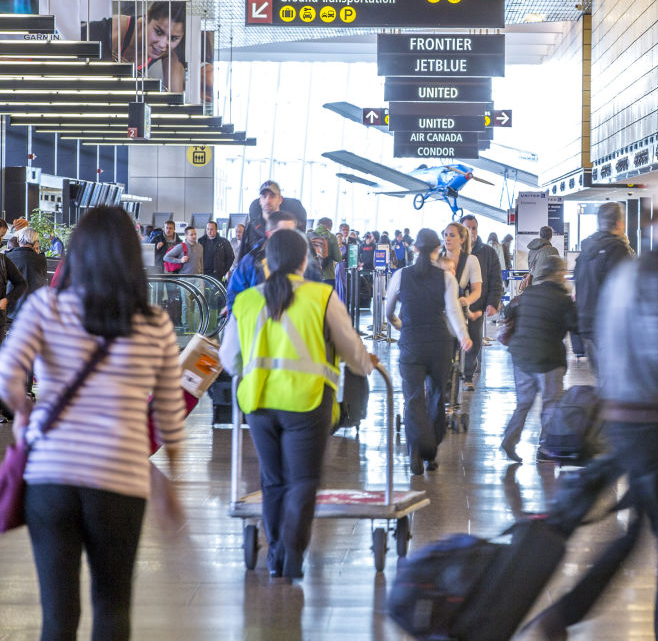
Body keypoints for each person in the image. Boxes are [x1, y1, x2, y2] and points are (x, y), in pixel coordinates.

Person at [529, 173, 658, 641]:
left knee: (639, 532)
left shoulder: (636, 272)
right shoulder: (654, 276)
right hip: (652, 424)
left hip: (629, 418)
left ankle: (562, 617)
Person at [0, 205, 186, 640]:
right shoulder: (154, 322)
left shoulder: (46, 307)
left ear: (78, 251)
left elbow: (7, 376)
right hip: (119, 479)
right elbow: (169, 413)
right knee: (113, 608)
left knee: (58, 616)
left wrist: (25, 414)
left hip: (51, 477)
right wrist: (170, 482)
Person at [221, 229, 376, 580]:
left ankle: (275, 554)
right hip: (307, 402)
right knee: (303, 480)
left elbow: (229, 358)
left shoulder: (246, 301)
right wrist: (368, 365)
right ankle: (292, 552)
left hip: (259, 403)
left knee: (272, 480)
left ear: (267, 262)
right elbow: (352, 349)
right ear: (304, 261)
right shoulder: (321, 296)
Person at [385, 228, 471, 475]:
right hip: (438, 344)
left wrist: (399, 324)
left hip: (411, 342)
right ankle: (430, 448)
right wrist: (464, 336)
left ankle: (418, 446)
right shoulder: (446, 278)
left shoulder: (401, 275)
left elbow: (388, 311)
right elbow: (453, 311)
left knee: (413, 398)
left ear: (414, 249)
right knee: (436, 397)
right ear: (437, 250)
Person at [501, 254, 576, 463]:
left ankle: (509, 439)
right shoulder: (563, 300)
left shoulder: (529, 293)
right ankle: (545, 447)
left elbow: (508, 310)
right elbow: (576, 325)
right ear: (560, 274)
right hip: (548, 360)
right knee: (551, 404)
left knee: (523, 403)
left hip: (522, 356)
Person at [573, 202, 631, 369]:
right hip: (608, 326)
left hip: (586, 324)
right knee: (615, 379)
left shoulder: (586, 248)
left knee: (603, 378)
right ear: (619, 224)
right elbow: (624, 290)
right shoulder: (617, 250)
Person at [85, 1, 187, 92]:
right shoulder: (115, 30)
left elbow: (174, 101)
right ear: (147, 16)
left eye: (173, 38)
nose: (162, 44)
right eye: (158, 32)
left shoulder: (171, 51)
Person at [440, 222, 484, 391]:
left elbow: (477, 290)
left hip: (462, 305)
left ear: (462, 239)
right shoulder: (438, 259)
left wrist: (467, 301)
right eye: (445, 235)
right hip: (442, 308)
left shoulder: (471, 261)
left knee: (471, 340)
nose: (448, 239)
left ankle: (467, 377)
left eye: (452, 235)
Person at [461, 215, 504, 383]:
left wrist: (493, 302)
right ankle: (451, 373)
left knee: (474, 339)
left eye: (474, 228)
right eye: (467, 228)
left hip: (477, 306)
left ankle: (468, 375)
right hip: (455, 305)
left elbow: (495, 280)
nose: (471, 231)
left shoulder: (488, 252)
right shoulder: (453, 252)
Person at [226, 211, 297, 310]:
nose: (289, 238)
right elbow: (235, 296)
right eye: (282, 233)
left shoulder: (302, 260)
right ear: (269, 234)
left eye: (292, 233)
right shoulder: (252, 261)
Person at [238, 181, 307, 262]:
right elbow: (242, 260)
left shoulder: (291, 227)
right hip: (256, 272)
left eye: (272, 196)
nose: (267, 200)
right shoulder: (251, 228)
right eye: (264, 196)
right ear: (260, 200)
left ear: (280, 200)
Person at [6, 226, 46, 318]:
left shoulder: (8, 256)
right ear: (35, 243)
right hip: (32, 311)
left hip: (9, 310)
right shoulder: (40, 259)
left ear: (19, 241)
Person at [310, 217, 342, 283]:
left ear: (318, 224)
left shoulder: (308, 236)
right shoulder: (331, 236)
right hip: (328, 275)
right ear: (330, 226)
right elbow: (338, 258)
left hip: (312, 274)